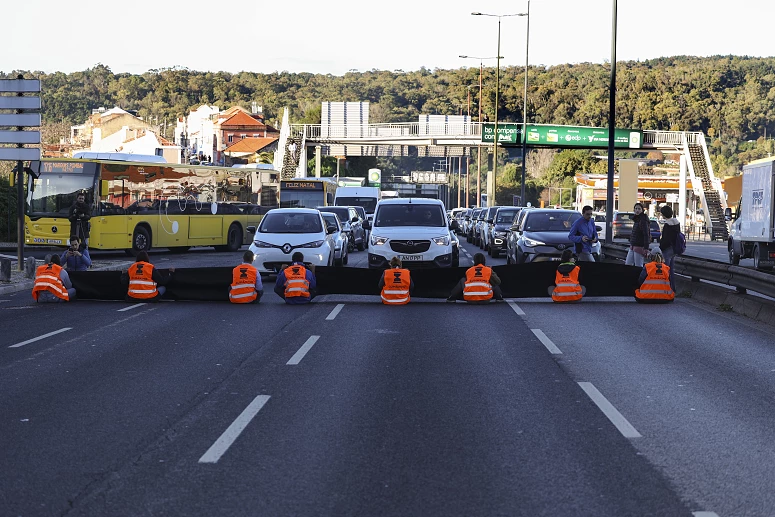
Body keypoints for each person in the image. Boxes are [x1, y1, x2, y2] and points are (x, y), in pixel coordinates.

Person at [658, 205, 681, 292]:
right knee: (671, 270)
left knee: (665, 270)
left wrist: (660, 248)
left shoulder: (667, 225)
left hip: (667, 249)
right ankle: (672, 288)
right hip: (674, 249)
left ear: (664, 214)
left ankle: (666, 289)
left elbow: (665, 239)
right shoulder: (676, 223)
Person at [625, 202, 651, 267]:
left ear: (642, 210)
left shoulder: (643, 220)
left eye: (639, 209)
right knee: (628, 264)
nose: (637, 210)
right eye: (636, 208)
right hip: (633, 245)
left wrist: (646, 248)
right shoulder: (637, 219)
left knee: (638, 265)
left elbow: (646, 234)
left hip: (639, 246)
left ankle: (639, 277)